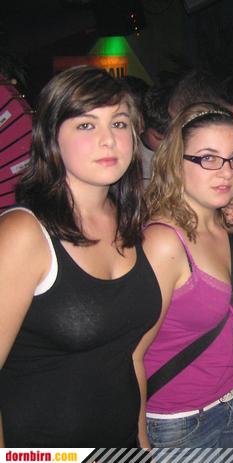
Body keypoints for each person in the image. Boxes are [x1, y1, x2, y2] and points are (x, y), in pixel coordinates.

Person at [0, 65, 161, 447]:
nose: (108, 140)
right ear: (51, 137)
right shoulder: (24, 233)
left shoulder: (129, 220)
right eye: (86, 125)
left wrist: (142, 445)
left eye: (119, 124)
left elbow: (129, 358)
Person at [139, 102, 233, 448]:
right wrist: (138, 438)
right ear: (175, 162)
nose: (226, 172)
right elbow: (129, 352)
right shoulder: (163, 242)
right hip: (175, 421)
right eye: (208, 158)